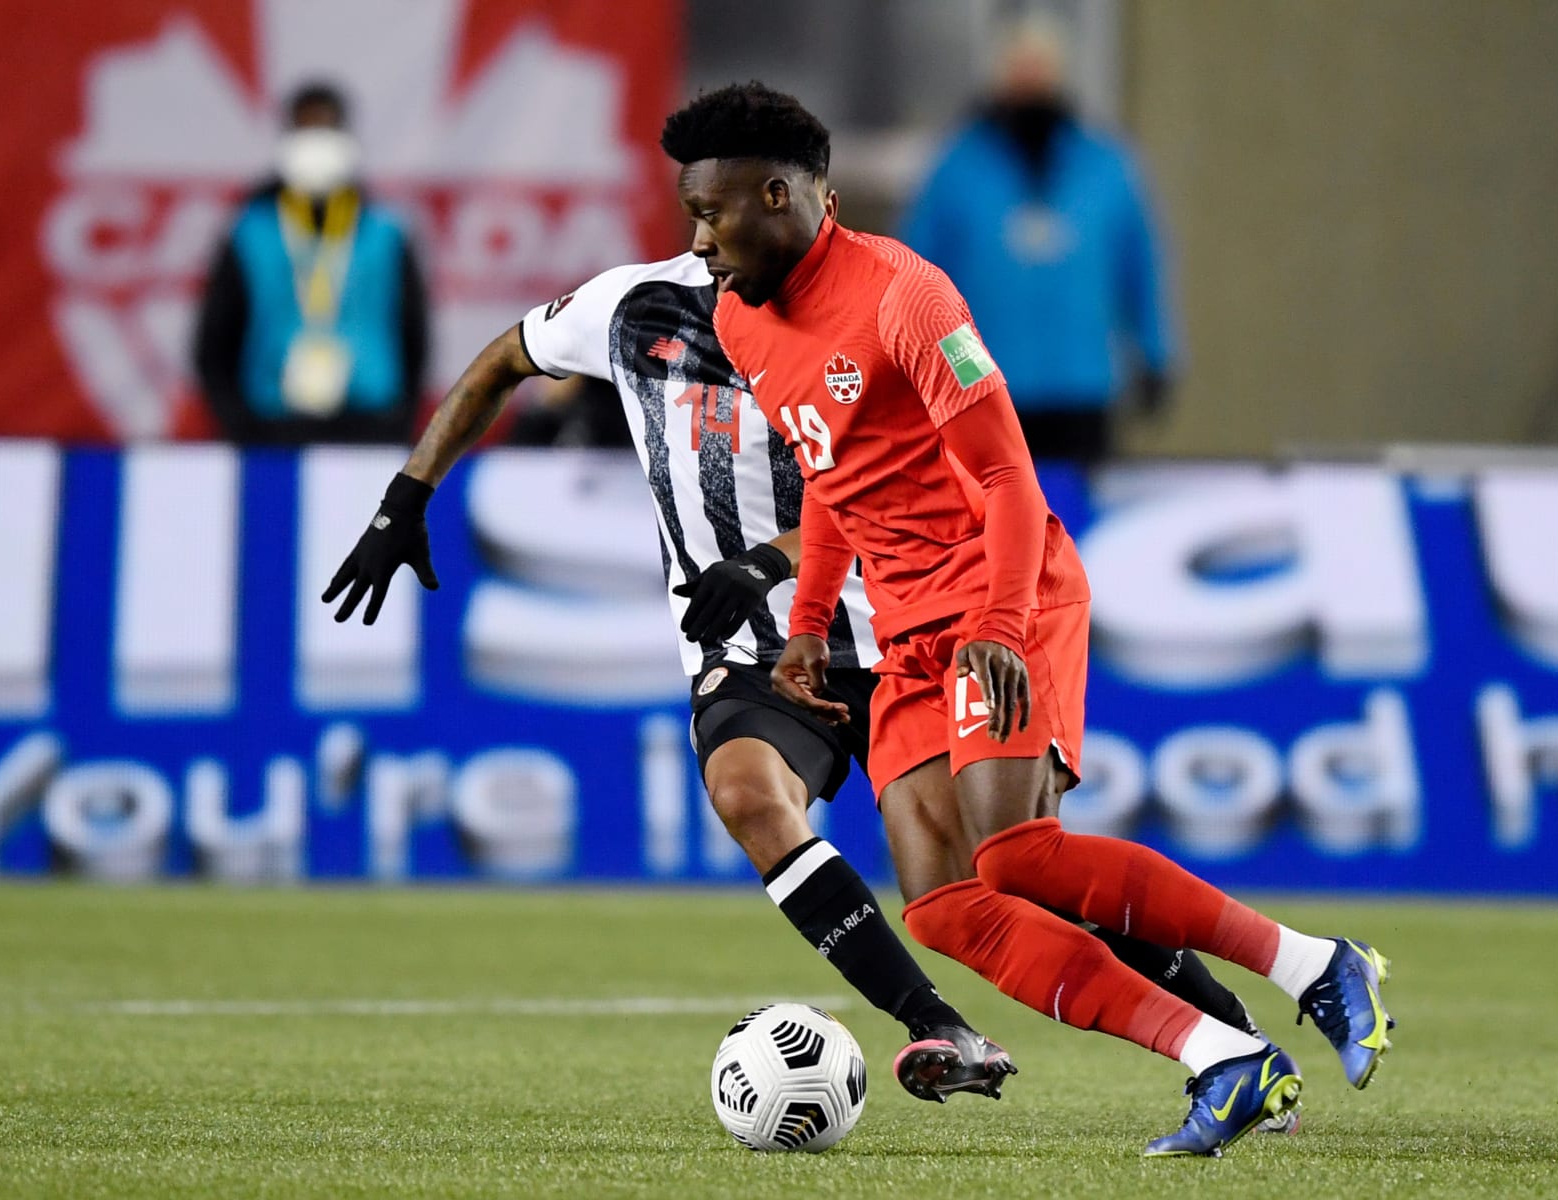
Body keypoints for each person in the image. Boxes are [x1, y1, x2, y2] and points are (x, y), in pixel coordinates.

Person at [319, 208, 1285, 1110]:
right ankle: (937, 1025)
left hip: (901, 622)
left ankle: (1230, 1030)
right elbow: (502, 360)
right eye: (701, 208)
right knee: (746, 793)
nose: (712, 234)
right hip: (758, 644)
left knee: (1010, 873)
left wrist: (768, 562)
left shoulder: (863, 314)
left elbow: (888, 482)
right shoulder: (630, 308)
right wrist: (405, 499)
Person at [666, 80, 1393, 1157]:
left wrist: (1001, 626)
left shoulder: (909, 297)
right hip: (905, 628)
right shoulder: (739, 316)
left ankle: (1311, 965)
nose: (699, 239)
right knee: (948, 907)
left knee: (1020, 858)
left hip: (1004, 594)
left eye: (710, 213)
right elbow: (835, 475)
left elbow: (1008, 477)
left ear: (778, 195)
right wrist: (810, 619)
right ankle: (1224, 1058)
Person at [900, 15, 1174, 465]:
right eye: (1018, 65)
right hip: (980, 383)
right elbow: (917, 280)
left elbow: (1139, 265)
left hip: (1082, 381)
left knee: (1073, 519)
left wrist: (1154, 352)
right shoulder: (955, 169)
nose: (1029, 78)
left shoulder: (1105, 167)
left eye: (1040, 64)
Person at [194, 82, 429, 445]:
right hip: (271, 426)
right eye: (306, 129)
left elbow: (414, 334)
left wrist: (401, 421)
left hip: (370, 425)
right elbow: (215, 338)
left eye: (326, 129)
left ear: (347, 138)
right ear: (287, 137)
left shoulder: (386, 231)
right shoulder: (250, 231)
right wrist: (238, 425)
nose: (316, 143)